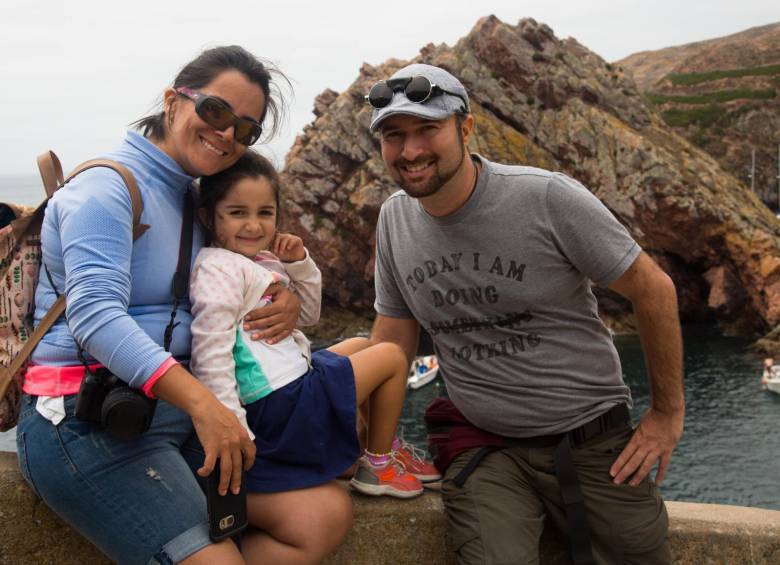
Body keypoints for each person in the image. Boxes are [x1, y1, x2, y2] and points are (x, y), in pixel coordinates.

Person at [16, 46, 351, 565]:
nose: (226, 136)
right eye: (216, 112)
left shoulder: (191, 196)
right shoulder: (107, 189)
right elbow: (96, 317)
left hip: (172, 412)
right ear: (174, 102)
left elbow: (229, 277)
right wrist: (203, 405)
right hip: (86, 420)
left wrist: (279, 292)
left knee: (322, 515)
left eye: (246, 129)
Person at [367, 63, 684, 564]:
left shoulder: (545, 197)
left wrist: (667, 414)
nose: (410, 152)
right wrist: (369, 443)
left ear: (465, 128)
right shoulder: (394, 219)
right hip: (487, 448)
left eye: (428, 129)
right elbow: (391, 340)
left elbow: (654, 289)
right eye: (393, 136)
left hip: (594, 439)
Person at [191, 149, 429, 512]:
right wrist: (233, 425)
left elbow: (309, 315)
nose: (254, 226)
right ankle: (377, 465)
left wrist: (298, 265)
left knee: (360, 344)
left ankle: (361, 450)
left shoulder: (258, 262)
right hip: (281, 406)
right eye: (237, 213)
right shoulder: (218, 270)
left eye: (265, 213)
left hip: (292, 390)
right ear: (209, 217)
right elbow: (210, 350)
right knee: (392, 356)